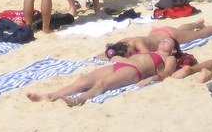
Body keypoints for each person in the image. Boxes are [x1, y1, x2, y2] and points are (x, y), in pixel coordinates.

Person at [27, 37, 181, 106]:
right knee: (83, 80)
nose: (163, 40)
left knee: (103, 83)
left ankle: (81, 99)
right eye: (163, 39)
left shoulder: (169, 58)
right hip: (123, 65)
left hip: (135, 71)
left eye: (168, 41)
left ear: (173, 49)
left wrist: (152, 78)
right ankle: (50, 96)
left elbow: (167, 73)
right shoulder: (150, 51)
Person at [103, 19, 212, 59]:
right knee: (182, 30)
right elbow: (110, 51)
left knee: (201, 34)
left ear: (127, 47)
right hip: (159, 33)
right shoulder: (126, 42)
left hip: (170, 37)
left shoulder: (138, 42)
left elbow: (149, 56)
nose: (132, 54)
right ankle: (195, 23)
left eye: (130, 53)